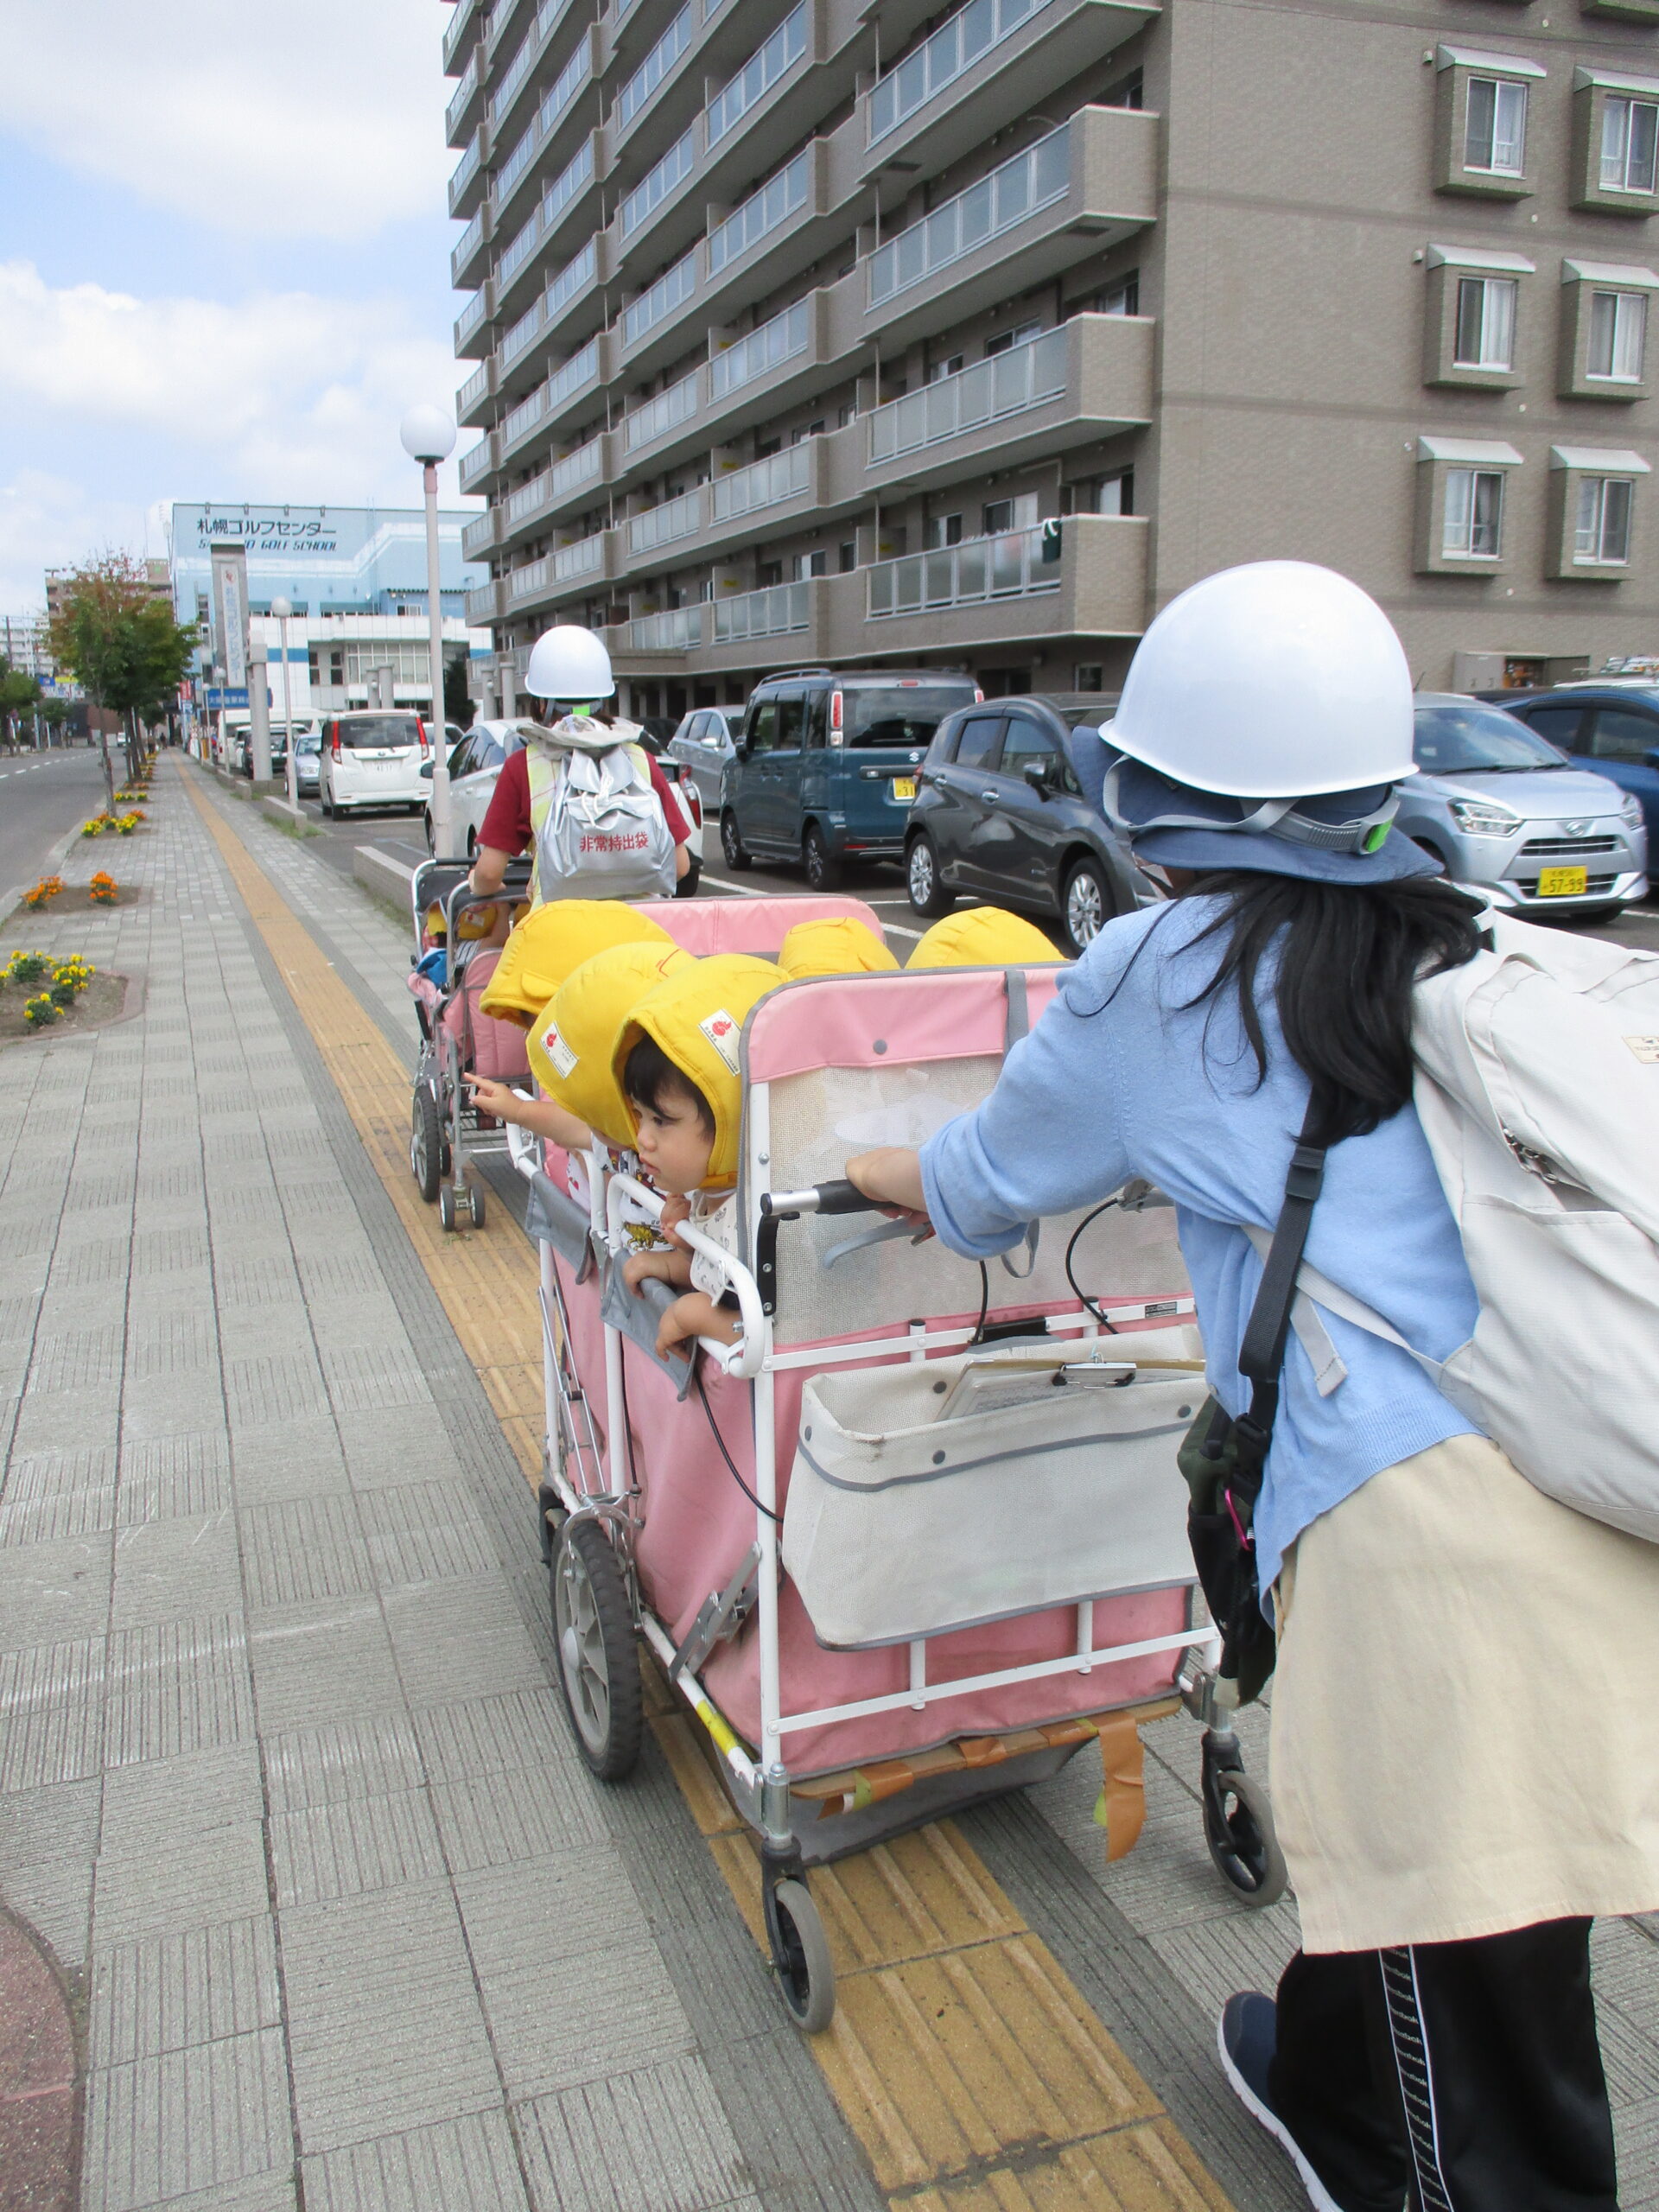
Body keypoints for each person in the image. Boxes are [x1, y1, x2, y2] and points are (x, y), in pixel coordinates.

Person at [844, 561, 1657, 2212]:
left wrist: (870, 1171)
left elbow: (982, 1183)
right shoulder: (1463, 932)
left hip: (1428, 1549)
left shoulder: (1164, 975)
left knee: (1488, 2000)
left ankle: (1402, 2149)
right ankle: (1327, 2083)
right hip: (1582, 1456)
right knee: (1475, 1895)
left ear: (1152, 797)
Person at [613, 954, 779, 1358]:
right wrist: (673, 1261)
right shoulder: (714, 1192)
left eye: (661, 1120)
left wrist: (693, 1316)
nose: (642, 1138)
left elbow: (786, 1330)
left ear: (732, 1121)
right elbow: (716, 1276)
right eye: (639, 1115)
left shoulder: (770, 1216)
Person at [468, 626, 690, 910]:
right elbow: (680, 865)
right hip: (637, 929)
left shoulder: (524, 767)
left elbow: (489, 873)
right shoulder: (639, 760)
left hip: (558, 929)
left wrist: (477, 883)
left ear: (541, 703)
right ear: (602, 698)